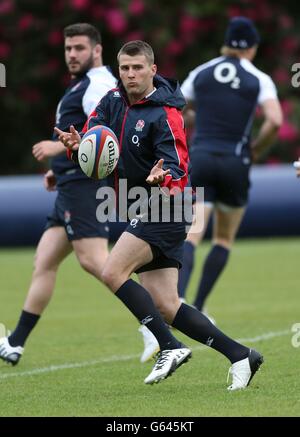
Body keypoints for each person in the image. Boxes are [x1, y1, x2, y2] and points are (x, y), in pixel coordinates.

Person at [55, 40, 264, 390]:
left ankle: (169, 346)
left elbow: (179, 164)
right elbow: (97, 147)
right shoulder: (111, 102)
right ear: (118, 71)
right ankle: (241, 355)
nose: (130, 74)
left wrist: (163, 174)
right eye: (124, 68)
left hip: (168, 204)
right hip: (140, 204)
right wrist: (80, 149)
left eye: (138, 68)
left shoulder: (165, 113)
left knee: (111, 270)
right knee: (167, 304)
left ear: (153, 70)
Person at [0, 23, 117, 365]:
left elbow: (105, 132)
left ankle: (156, 324)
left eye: (79, 48)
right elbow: (83, 137)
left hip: (85, 187)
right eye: (68, 49)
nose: (72, 54)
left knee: (97, 262)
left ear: (96, 49)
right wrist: (60, 167)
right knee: (45, 261)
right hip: (70, 182)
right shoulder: (80, 84)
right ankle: (15, 343)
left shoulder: (99, 83)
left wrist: (56, 148)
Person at [178, 17, 283, 315]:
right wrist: (257, 149)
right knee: (223, 238)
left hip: (201, 157)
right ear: (252, 48)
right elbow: (274, 120)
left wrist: (199, 119)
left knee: (192, 234)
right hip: (235, 161)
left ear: (225, 42)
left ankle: (178, 302)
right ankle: (198, 306)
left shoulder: (201, 72)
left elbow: (176, 110)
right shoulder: (258, 77)